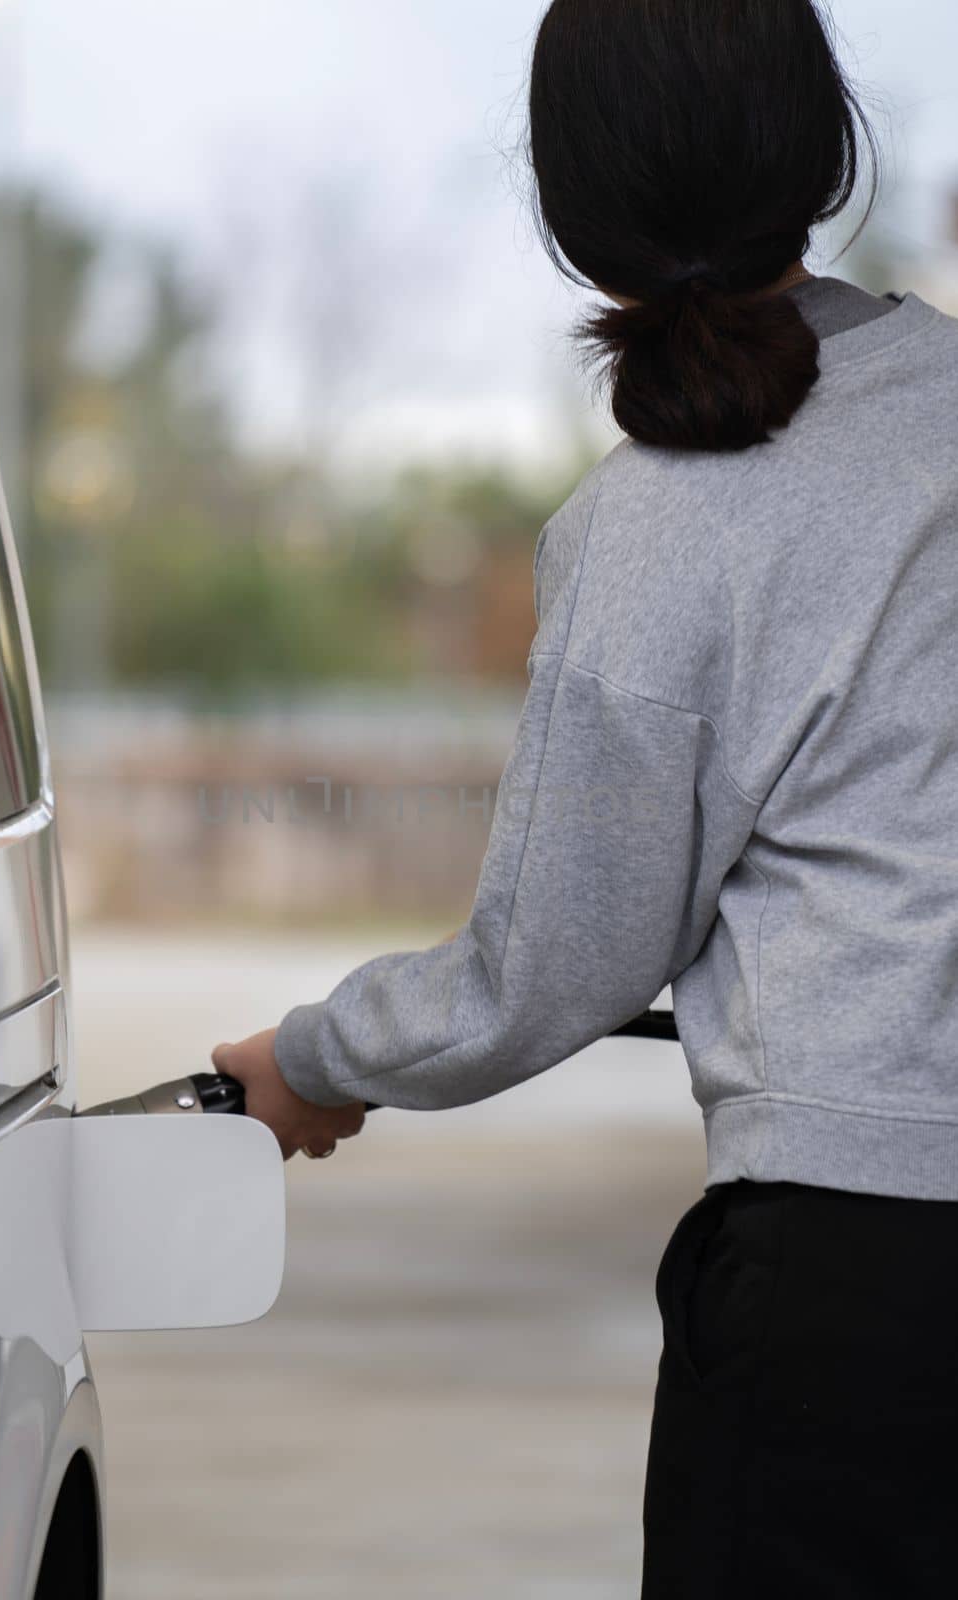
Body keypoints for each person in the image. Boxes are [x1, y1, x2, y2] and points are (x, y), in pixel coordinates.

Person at [211, 1, 958, 1593]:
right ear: (825, 146)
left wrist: (310, 1062)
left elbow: (554, 961)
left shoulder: (659, 527)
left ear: (576, 207)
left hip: (863, 1282)